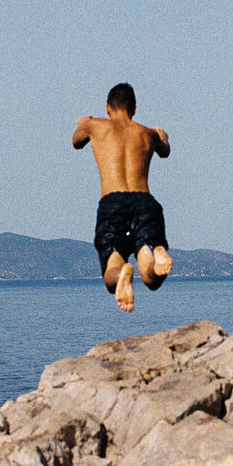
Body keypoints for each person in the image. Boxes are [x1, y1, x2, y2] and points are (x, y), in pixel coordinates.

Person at [73, 83, 173, 312]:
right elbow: (165, 151)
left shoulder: (95, 125)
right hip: (145, 202)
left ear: (108, 108)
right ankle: (155, 254)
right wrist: (162, 136)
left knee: (112, 271)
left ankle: (123, 273)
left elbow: (76, 141)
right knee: (150, 278)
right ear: (134, 109)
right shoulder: (147, 133)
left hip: (113, 203)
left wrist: (82, 122)